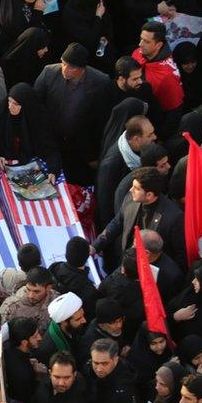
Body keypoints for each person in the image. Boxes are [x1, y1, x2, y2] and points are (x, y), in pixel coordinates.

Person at [33, 43, 112, 184]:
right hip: (52, 141)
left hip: (80, 148)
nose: (65, 69)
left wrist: (92, 154)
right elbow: (35, 106)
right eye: (63, 63)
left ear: (82, 69)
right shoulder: (49, 73)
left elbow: (102, 120)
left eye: (71, 67)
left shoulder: (100, 82)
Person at [92, 167, 186, 269]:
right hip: (127, 263)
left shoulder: (174, 217)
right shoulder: (130, 197)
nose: (131, 190)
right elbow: (117, 223)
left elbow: (180, 254)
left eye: (136, 188)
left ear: (149, 195)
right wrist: (95, 246)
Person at [97, 116, 158, 225]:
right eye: (149, 135)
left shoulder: (143, 148)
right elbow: (105, 204)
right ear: (136, 139)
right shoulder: (111, 165)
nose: (154, 137)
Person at [132, 22, 184, 114]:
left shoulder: (167, 77)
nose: (140, 44)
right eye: (141, 39)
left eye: (146, 41)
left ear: (159, 45)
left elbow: (173, 112)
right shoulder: (138, 53)